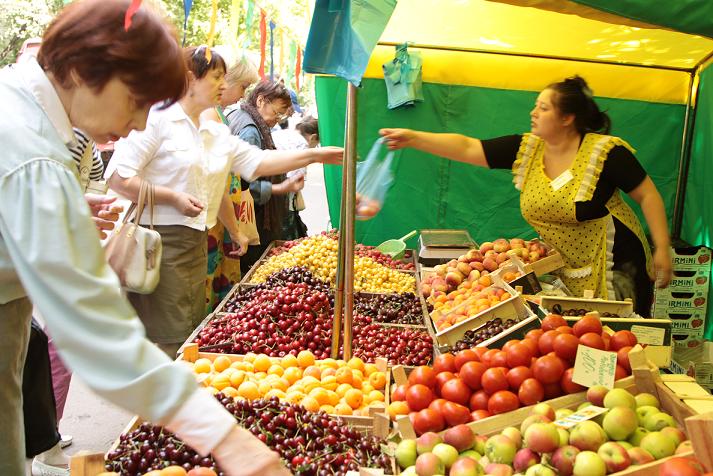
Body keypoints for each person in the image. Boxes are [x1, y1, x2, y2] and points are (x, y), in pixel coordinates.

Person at [0, 1, 300, 474]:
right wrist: (228, 439)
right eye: (138, 102)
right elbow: (96, 329)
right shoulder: (35, 157)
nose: (140, 123)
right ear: (87, 71)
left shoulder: (17, 110)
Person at [105, 48, 341, 356]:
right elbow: (118, 178)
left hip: (195, 242)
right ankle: (160, 398)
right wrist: (172, 197)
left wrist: (313, 154)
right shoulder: (157, 121)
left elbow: (256, 164)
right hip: (160, 242)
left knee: (187, 328)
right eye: (216, 77)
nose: (223, 84)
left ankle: (166, 395)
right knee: (170, 336)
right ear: (190, 79)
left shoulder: (213, 131)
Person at [381, 76, 672, 315]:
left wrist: (661, 248)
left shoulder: (604, 153)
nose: (533, 113)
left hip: (617, 262)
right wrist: (414, 138)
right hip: (565, 265)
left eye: (543, 108)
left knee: (615, 337)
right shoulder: (529, 149)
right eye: (536, 106)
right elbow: (469, 147)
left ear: (568, 117)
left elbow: (647, 194)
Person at [224, 80, 306, 274]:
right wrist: (281, 188)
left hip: (243, 220)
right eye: (276, 113)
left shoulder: (239, 115)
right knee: (252, 271)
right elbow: (243, 186)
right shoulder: (251, 131)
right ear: (261, 100)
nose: (277, 120)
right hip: (251, 221)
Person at [201, 57, 259, 312]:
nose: (242, 95)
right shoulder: (210, 115)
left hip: (223, 215)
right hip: (216, 218)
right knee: (210, 282)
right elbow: (218, 182)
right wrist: (235, 231)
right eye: (243, 86)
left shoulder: (220, 114)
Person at [273, 116, 321, 239]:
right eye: (316, 144)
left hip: (266, 195)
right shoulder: (302, 145)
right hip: (281, 200)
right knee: (287, 238)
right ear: (313, 137)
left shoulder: (282, 134)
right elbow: (296, 183)